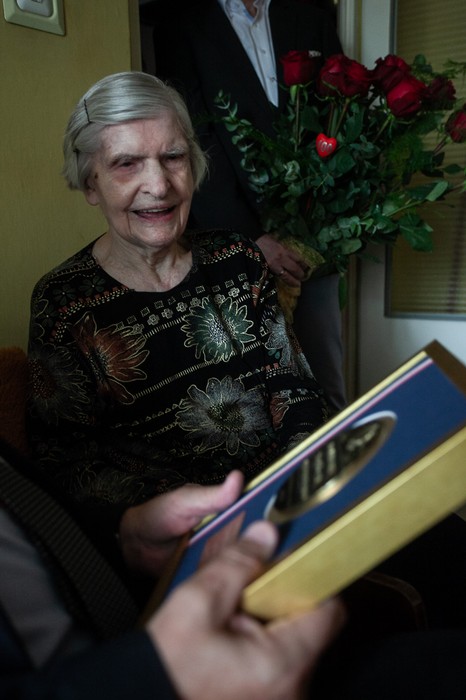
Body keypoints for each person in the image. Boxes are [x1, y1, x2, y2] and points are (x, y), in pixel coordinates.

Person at [26, 71, 327, 532]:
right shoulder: (64, 302)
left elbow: (293, 385)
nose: (159, 185)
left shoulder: (238, 258)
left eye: (173, 157)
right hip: (177, 535)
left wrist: (295, 486)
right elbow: (68, 461)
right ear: (90, 184)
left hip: (284, 499)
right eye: (127, 163)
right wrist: (179, 518)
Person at [2, 440, 466, 700]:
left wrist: (125, 536)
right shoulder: (68, 311)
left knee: (439, 540)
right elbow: (74, 458)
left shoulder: (246, 281)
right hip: (150, 675)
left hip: (167, 599)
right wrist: (158, 681)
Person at [149, 0, 347, 413]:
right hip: (231, 234)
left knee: (325, 381)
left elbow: (339, 112)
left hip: (315, 229)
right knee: (251, 386)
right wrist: (249, 237)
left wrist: (322, 215)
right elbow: (192, 136)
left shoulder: (311, 13)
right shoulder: (180, 22)